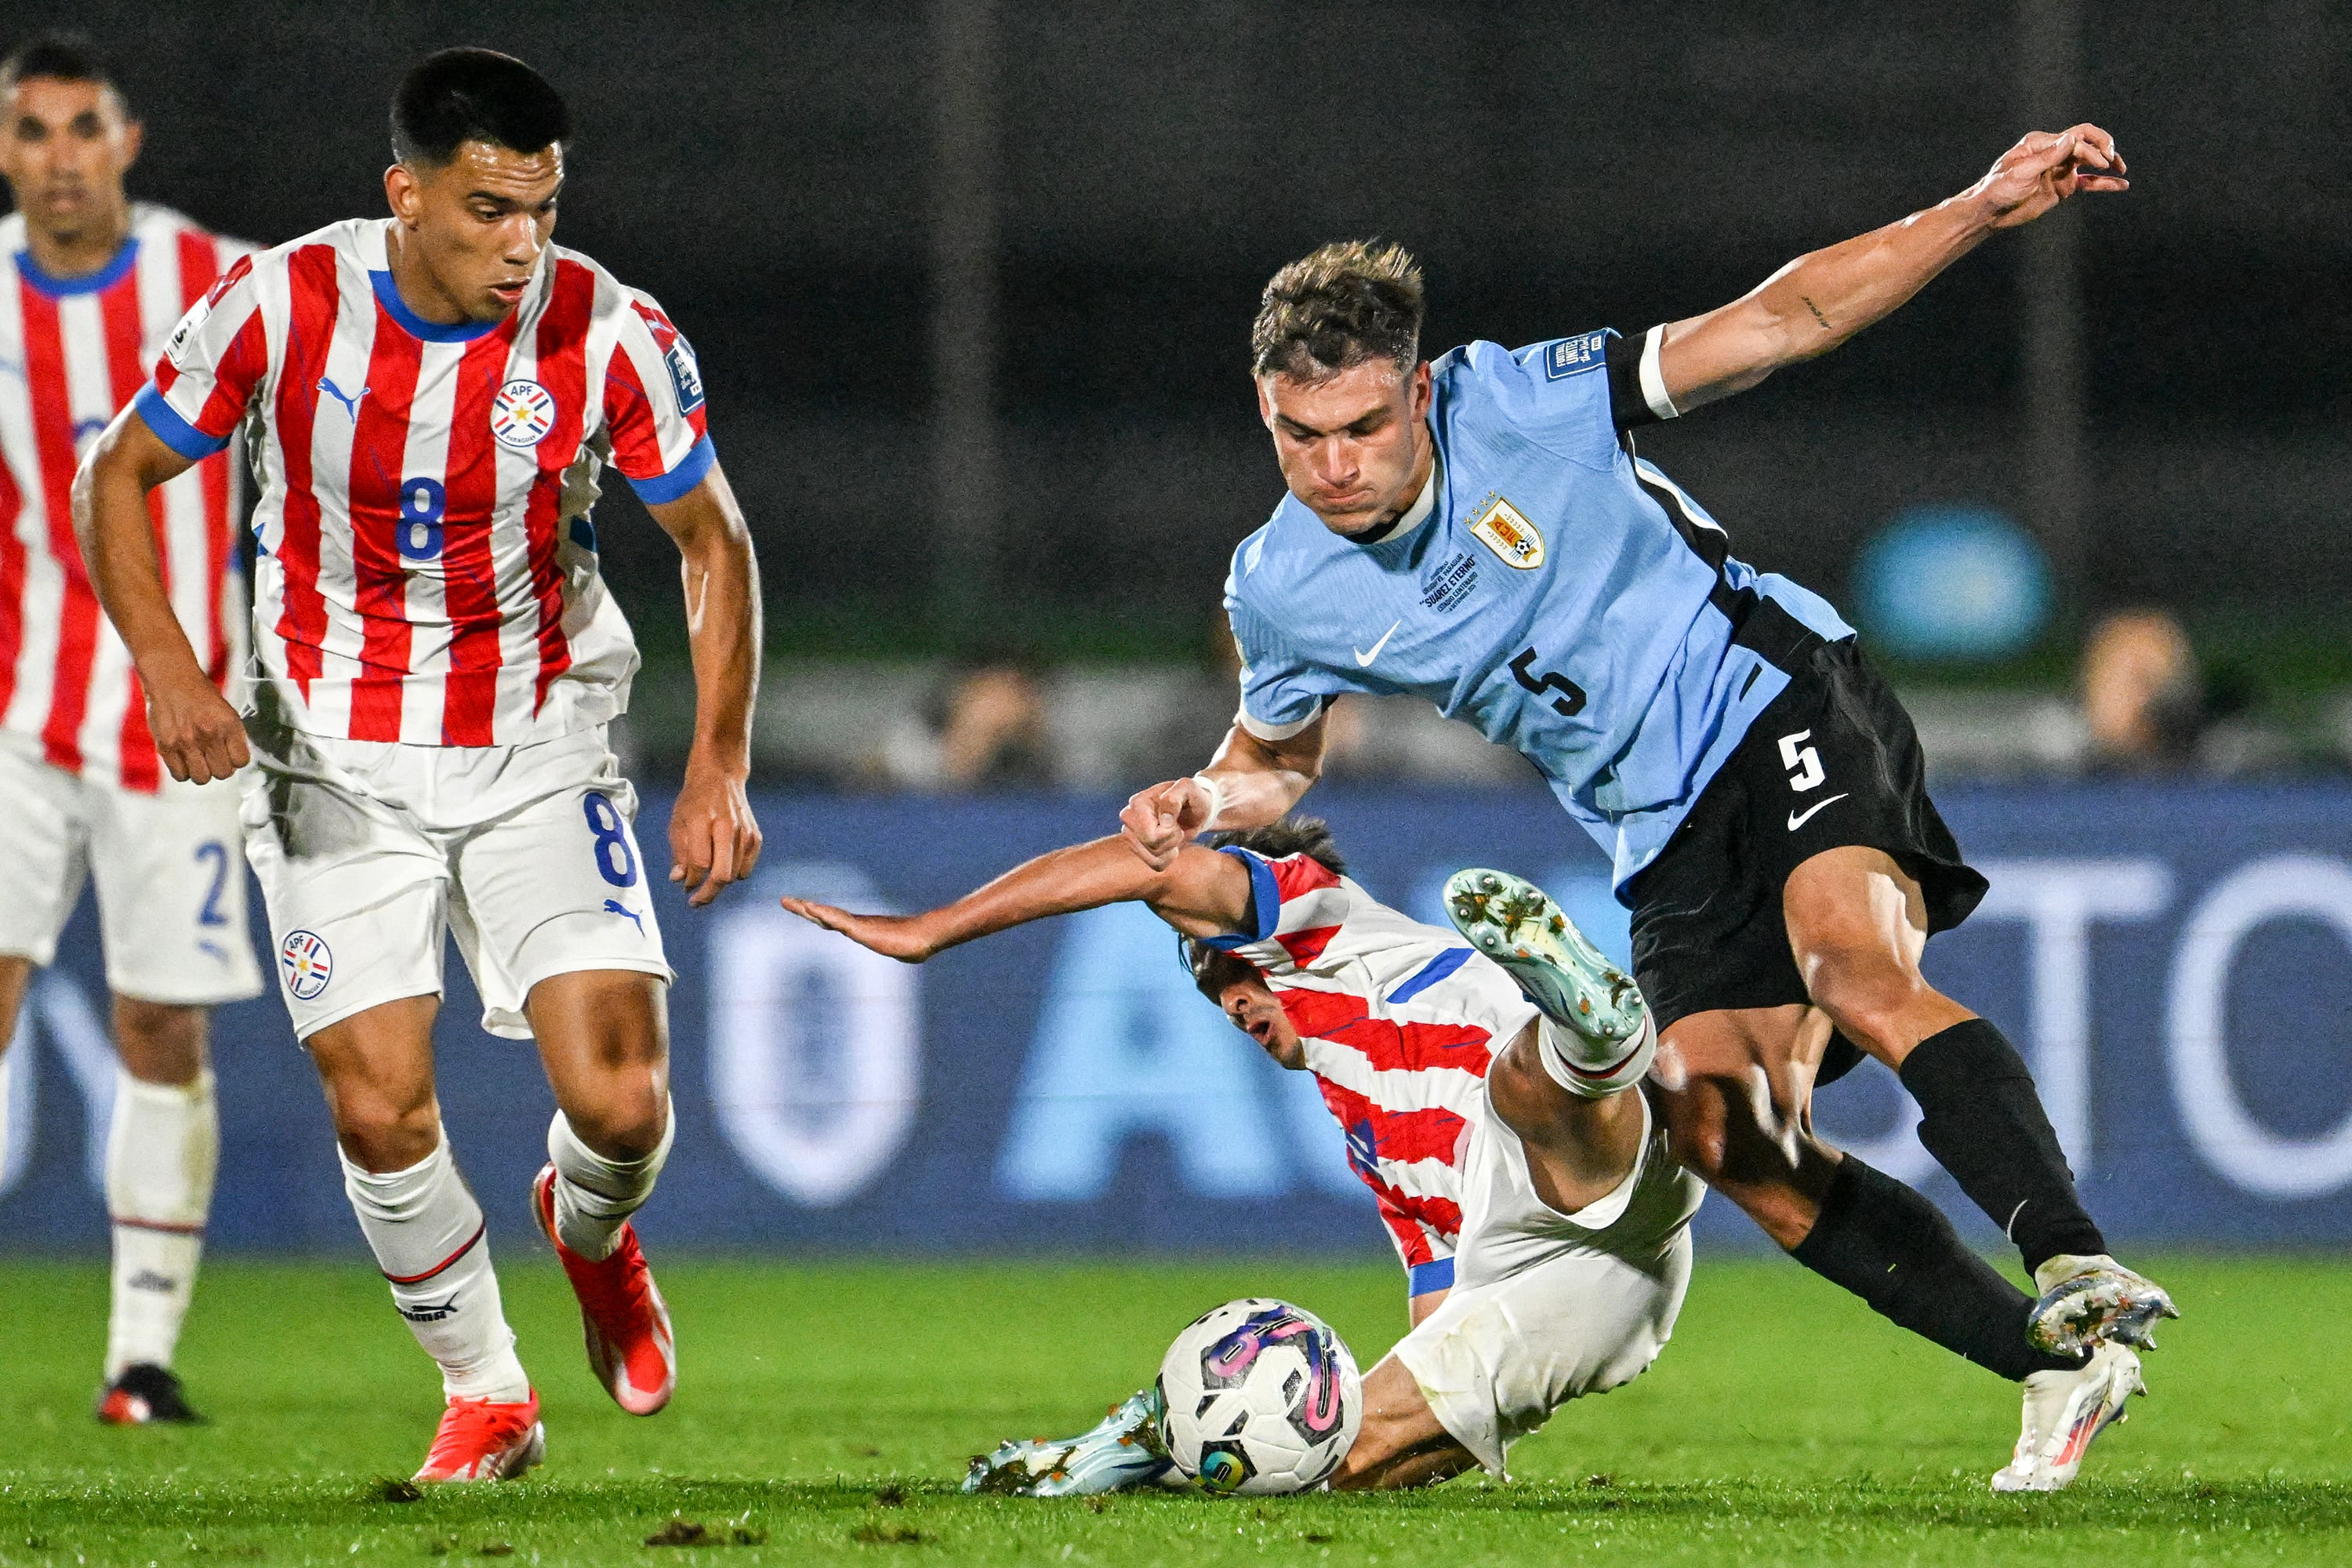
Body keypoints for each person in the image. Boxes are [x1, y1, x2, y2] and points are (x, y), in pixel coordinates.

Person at [1115, 127, 2172, 1484]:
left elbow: (1781, 321)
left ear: (1423, 394)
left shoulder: (1529, 402)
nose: (1335, 468)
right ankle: (2059, 1367)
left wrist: (1979, 208)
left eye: (1365, 428)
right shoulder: (1278, 586)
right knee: (1734, 1138)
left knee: (1852, 966)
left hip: (1770, 693)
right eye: (1298, 436)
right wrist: (1203, 795)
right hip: (1655, 832)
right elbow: (1277, 758)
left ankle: (2072, 1256)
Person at [73, 49, 763, 1482]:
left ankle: (590, 1235)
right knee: (380, 1101)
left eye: (544, 209)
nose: (523, 243)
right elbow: (117, 476)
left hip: (537, 738)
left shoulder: (609, 332)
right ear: (406, 194)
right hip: (325, 755)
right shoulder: (281, 303)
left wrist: (719, 763)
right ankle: (488, 1390)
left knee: (621, 1106)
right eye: (488, 209)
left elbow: (714, 542)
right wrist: (172, 671)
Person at [782, 822, 2140, 1492]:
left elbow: (1150, 866)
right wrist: (1145, 1452)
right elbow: (1442, 1305)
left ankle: (1594, 1030)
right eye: (1220, 995)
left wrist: (933, 929)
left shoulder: (1316, 919)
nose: (1235, 1001)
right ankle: (2062, 1364)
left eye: (1226, 974)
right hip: (1584, 1289)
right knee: (1322, 1458)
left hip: (1581, 1142)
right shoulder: (1360, 1123)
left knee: (1530, 1088)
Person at [0, 31, 263, 1426]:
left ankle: (139, 1361)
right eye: (32, 131)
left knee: (161, 1028)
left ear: (126, 143)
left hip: (183, 720)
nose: (59, 158)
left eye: (80, 129)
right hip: (15, 719)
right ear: (6, 152)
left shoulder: (211, 282)